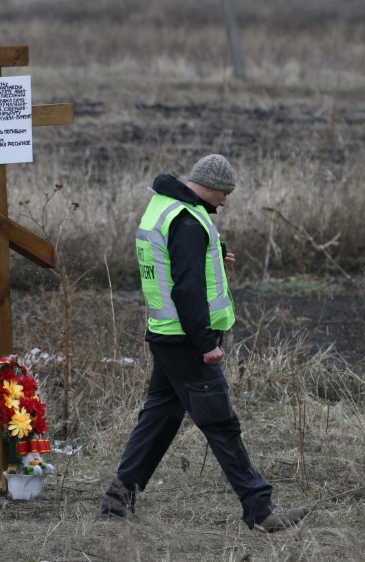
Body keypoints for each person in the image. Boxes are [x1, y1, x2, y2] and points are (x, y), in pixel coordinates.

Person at [101, 154, 309, 532]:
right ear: (211, 186)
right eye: (225, 193)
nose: (225, 203)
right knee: (220, 422)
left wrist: (217, 252)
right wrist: (205, 343)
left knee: (158, 419)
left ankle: (116, 503)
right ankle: (261, 512)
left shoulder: (164, 208)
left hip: (166, 335)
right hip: (187, 339)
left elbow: (178, 260)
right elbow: (188, 285)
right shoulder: (187, 221)